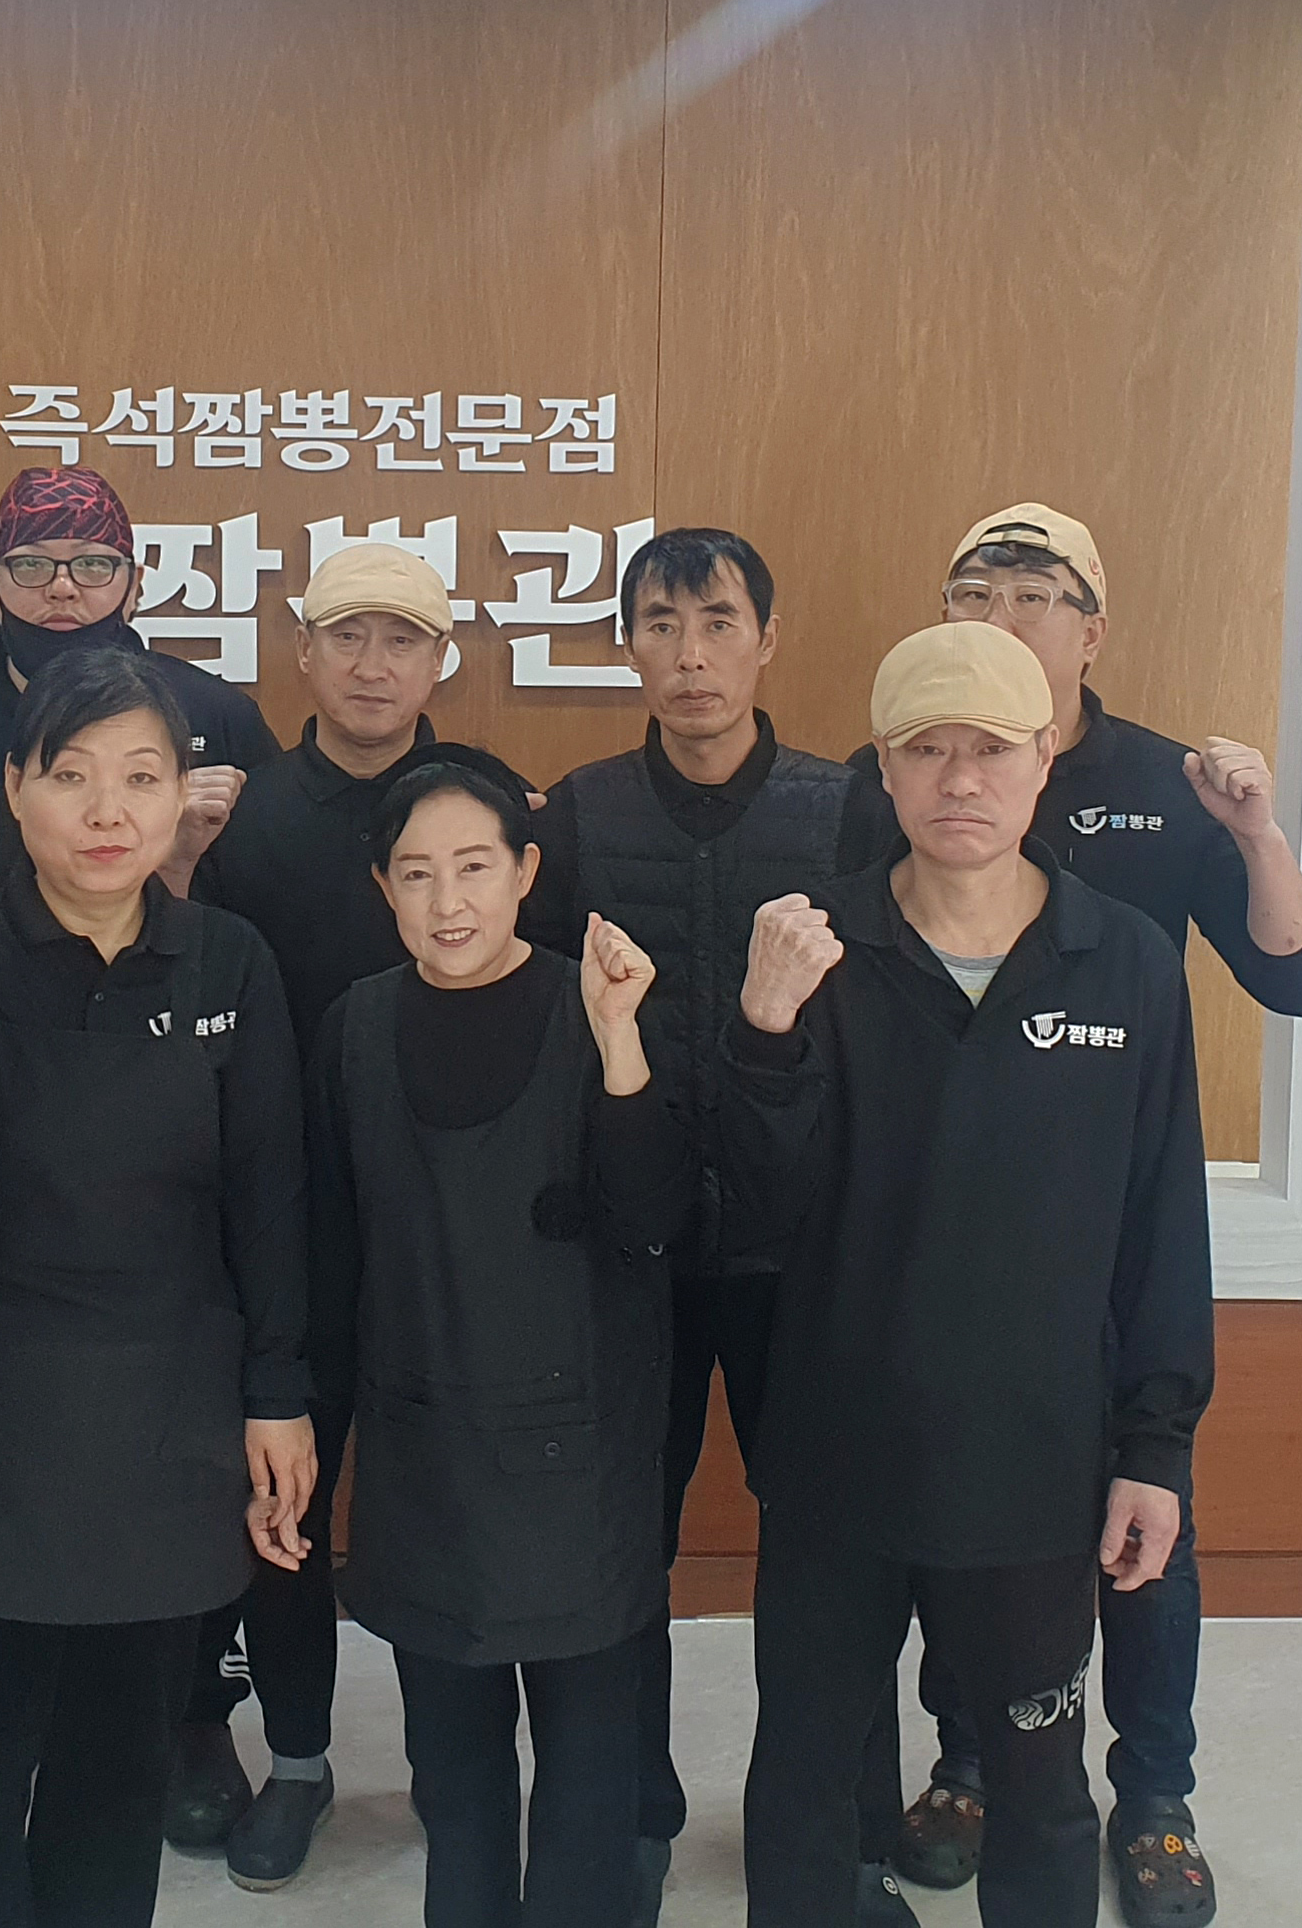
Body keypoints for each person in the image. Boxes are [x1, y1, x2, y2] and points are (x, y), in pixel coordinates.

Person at [839, 505, 1302, 1926]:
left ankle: (1156, 1789)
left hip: (1106, 1225)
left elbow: (1295, 978)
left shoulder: (1165, 786)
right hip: (950, 1228)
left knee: (1142, 1522)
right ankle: (969, 1761)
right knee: (969, 1523)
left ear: (1090, 628)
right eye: (970, 589)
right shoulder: (894, 780)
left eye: (1033, 593)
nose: (998, 614)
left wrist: (1255, 833)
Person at [723, 622, 1213, 1928]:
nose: (958, 780)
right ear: (881, 769)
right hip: (836, 1455)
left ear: (1043, 756)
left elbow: (1161, 1228)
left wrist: (1155, 1448)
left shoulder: (1124, 960)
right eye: (924, 750)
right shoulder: (812, 946)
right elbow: (750, 1215)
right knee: (805, 1781)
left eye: (989, 748)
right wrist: (761, 1033)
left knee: (1040, 1793)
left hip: (1035, 1468)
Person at [0, 646, 323, 1928]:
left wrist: (278, 1393)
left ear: (178, 796)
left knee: (114, 1787)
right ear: (13, 787)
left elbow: (268, 1199)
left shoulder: (226, 961)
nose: (107, 812)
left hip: (159, 1428)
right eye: (71, 776)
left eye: (140, 778)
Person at [172, 541, 543, 1889]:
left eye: (402, 639)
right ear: (301, 650)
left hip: (471, 1226)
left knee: (460, 1495)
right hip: (297, 1217)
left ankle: (460, 1766)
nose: (373, 665)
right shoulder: (246, 820)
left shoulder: (492, 806)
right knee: (282, 1501)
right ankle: (299, 1759)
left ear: (442, 658)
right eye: (346, 637)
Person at [526, 527, 855, 1922]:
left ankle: (821, 1835)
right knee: (623, 1549)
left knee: (828, 1556)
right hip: (632, 1251)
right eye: (659, 625)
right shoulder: (576, 815)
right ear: (627, 647)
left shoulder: (846, 808)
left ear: (766, 638)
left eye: (717, 621)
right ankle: (629, 1812)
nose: (690, 654)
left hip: (804, 1254)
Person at [317, 762, 694, 1928]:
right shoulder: (354, 1026)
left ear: (526, 871)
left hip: (580, 1463)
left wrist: (620, 1041)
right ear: (382, 887)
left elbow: (651, 1220)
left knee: (589, 1776)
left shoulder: (602, 1000)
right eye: (416, 874)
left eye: (474, 867)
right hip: (423, 1454)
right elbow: (326, 1250)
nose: (448, 902)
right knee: (455, 1778)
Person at [0, 466, 281, 937]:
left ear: (134, 585)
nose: (62, 587)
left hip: (166, 979)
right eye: (30, 565)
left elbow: (275, 898)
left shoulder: (214, 712)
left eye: (93, 564)